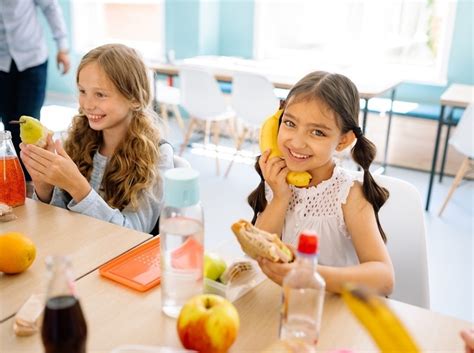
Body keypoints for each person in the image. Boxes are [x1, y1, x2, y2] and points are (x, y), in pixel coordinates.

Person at [248, 71, 394, 295]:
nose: (297, 142)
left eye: (317, 132)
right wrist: (280, 197)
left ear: (343, 141)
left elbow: (384, 278)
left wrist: (309, 274)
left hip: (329, 311)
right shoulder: (277, 179)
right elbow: (257, 253)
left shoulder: (348, 194)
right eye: (289, 123)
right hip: (279, 306)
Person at [19, 43, 173, 233]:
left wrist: (78, 186)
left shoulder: (158, 155)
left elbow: (133, 234)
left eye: (100, 94)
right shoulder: (77, 139)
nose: (88, 104)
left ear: (134, 98)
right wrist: (44, 188)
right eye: (83, 91)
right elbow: (58, 221)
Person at [0, 0, 71, 180]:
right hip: (1, 62)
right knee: (9, 123)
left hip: (32, 58)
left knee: (30, 121)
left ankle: (35, 179)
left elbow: (51, 8)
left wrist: (62, 47)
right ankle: (15, 177)